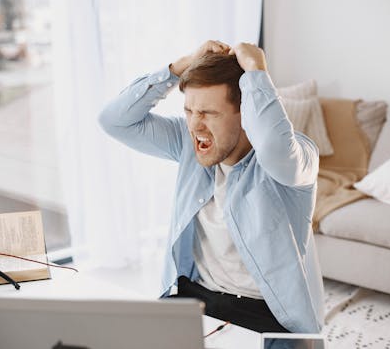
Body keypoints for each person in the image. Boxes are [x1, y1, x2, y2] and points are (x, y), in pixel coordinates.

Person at [99, 41, 324, 334]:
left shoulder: (297, 155)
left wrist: (256, 70)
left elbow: (272, 146)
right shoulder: (186, 142)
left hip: (267, 312)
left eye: (208, 113)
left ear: (246, 113)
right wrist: (177, 68)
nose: (194, 125)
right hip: (194, 295)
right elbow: (114, 121)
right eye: (189, 110)